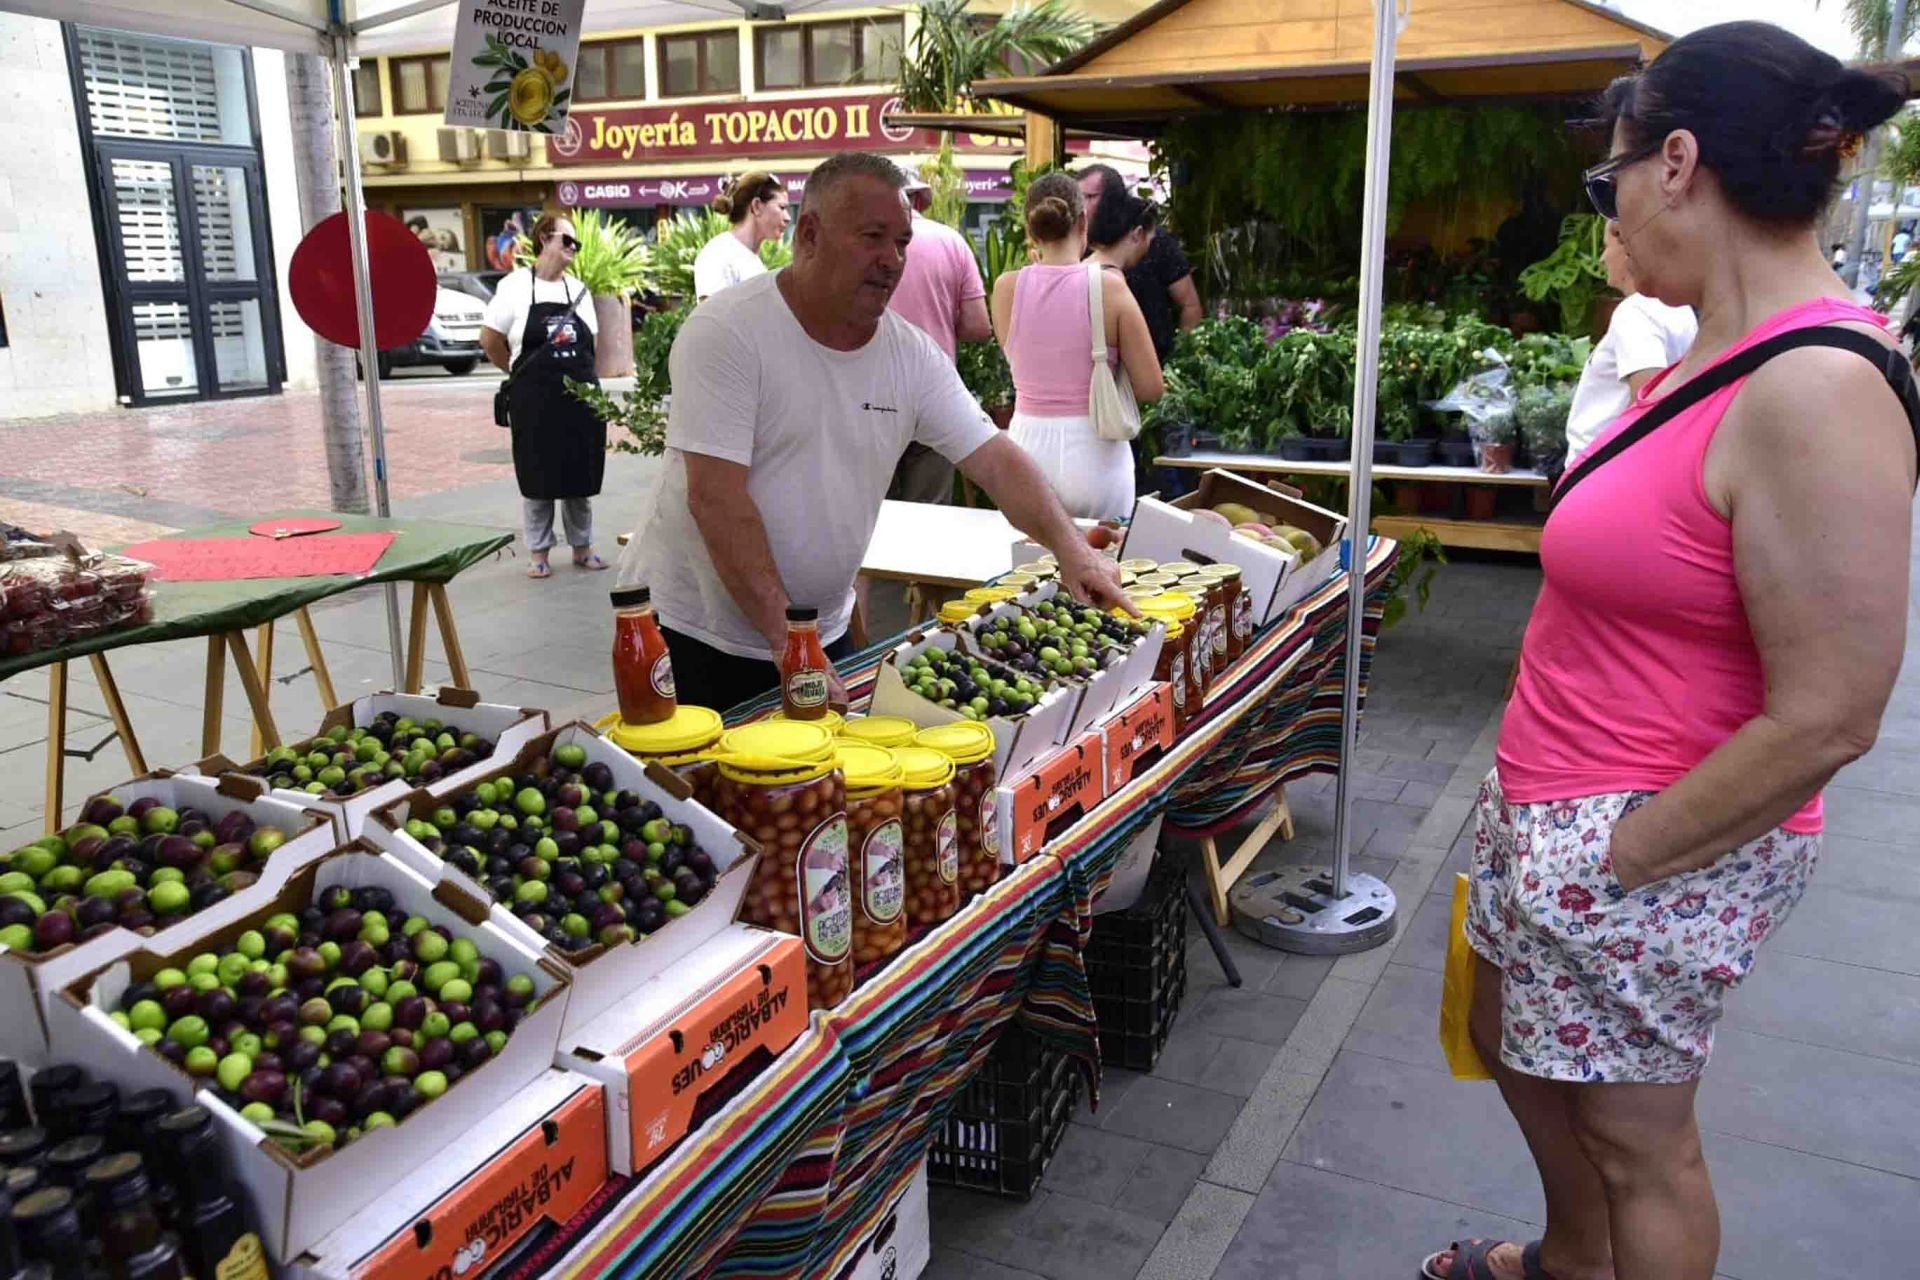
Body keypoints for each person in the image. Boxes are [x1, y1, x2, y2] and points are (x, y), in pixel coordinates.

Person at [1427, 23, 1916, 1280]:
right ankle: (1568, 1259)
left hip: (1644, 839)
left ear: (1679, 162)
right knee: (1518, 1052)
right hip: (1560, 803)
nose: (1613, 210)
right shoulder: (1709, 339)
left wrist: (1616, 859)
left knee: (1641, 1141)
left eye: (1611, 180)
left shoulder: (1818, 384)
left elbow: (1830, 714)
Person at [626, 152, 1130, 709]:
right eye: (873, 236)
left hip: (817, 633)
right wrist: (786, 642)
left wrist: (1071, 550)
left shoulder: (909, 353)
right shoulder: (727, 332)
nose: (892, 260)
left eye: (902, 243)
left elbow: (994, 459)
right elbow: (717, 499)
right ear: (810, 234)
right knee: (715, 793)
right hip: (699, 638)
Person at [992, 174, 1164, 520]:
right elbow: (1151, 388)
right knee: (1102, 562)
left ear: (1031, 230)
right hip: (1095, 450)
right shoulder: (1110, 289)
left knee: (1030, 568)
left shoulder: (1006, 288)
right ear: (1084, 221)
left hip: (1027, 446)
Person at [479, 212, 610, 579]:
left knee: (579, 474)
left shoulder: (579, 290)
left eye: (576, 244)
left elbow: (592, 346)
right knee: (538, 475)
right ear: (544, 239)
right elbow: (489, 339)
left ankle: (582, 547)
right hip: (534, 399)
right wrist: (516, 372)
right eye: (567, 240)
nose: (573, 249)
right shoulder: (516, 286)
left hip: (580, 398)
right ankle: (539, 553)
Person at [886, 174, 993, 505]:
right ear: (919, 200)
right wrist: (938, 320)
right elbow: (978, 326)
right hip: (936, 392)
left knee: (875, 511)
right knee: (930, 512)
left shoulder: (859, 246)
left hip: (872, 391)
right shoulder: (951, 242)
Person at [1563, 221, 1697, 459]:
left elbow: (1646, 400)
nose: (1603, 258)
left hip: (1603, 471)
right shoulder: (1680, 309)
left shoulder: (1636, 312)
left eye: (1606, 246)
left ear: (1628, 249)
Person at [1078, 163, 1202, 363]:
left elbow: (1190, 304)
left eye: (1090, 197)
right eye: (1077, 198)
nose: (1081, 206)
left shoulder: (1153, 239)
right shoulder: (1075, 245)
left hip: (1155, 362)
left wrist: (1181, 364)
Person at [693, 171, 788, 302]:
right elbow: (712, 317)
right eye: (782, 207)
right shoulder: (718, 254)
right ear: (756, 206)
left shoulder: (754, 261)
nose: (787, 217)